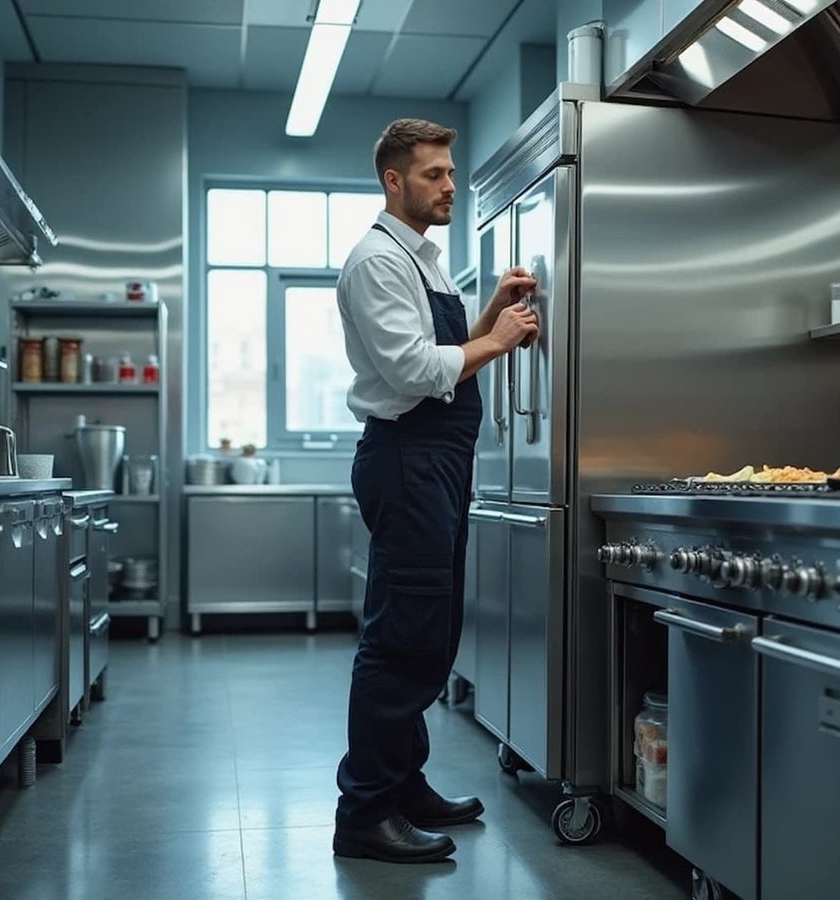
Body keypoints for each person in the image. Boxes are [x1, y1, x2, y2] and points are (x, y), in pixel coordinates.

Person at [331, 118, 539, 864]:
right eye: (434, 175)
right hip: (407, 458)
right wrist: (502, 338)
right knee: (400, 639)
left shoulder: (425, 261)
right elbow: (417, 373)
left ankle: (405, 784)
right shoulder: (376, 263)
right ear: (395, 181)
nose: (450, 185)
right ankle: (365, 810)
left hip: (440, 461)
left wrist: (491, 315)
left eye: (451, 173)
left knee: (432, 630)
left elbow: (449, 352)